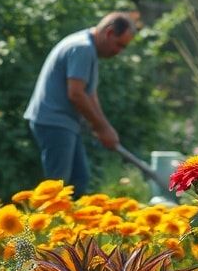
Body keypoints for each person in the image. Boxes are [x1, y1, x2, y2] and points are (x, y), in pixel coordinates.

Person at [24, 12, 137, 196]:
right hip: (54, 122)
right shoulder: (82, 48)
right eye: (119, 45)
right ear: (109, 33)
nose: (119, 52)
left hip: (63, 123)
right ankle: (47, 223)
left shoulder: (87, 47)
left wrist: (103, 127)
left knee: (79, 180)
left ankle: (71, 223)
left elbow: (89, 94)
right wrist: (101, 127)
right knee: (56, 188)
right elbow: (75, 94)